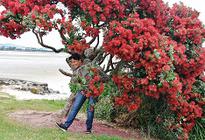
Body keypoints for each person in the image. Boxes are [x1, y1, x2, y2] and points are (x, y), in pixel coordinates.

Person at [56, 52, 104, 134]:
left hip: (93, 90)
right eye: (72, 62)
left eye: (75, 61)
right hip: (82, 91)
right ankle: (65, 126)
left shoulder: (88, 66)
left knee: (90, 110)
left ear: (80, 61)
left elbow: (99, 71)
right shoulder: (76, 71)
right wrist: (77, 84)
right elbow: (73, 83)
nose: (73, 63)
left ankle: (88, 129)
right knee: (75, 107)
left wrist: (98, 81)